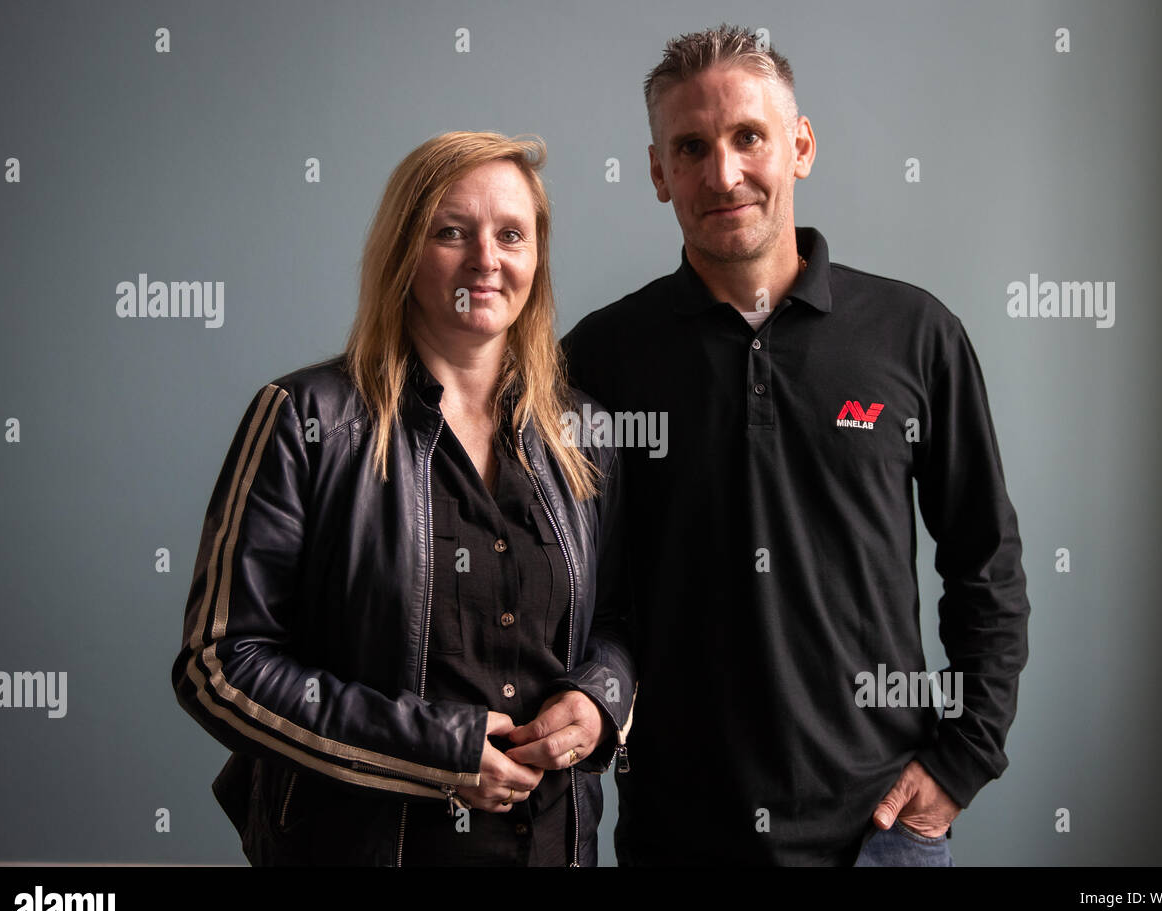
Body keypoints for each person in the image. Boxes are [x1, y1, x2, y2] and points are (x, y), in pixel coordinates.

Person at [561, 25, 1030, 866]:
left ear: (800, 146)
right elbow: (583, 595)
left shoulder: (913, 334)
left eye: (750, 138)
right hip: (679, 835)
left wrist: (964, 761)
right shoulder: (602, 357)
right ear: (659, 172)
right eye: (692, 148)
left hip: (880, 836)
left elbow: (985, 563)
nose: (724, 173)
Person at [172, 131, 634, 867]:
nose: (486, 259)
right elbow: (221, 666)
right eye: (452, 232)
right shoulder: (304, 418)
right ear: (404, 251)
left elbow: (616, 620)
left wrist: (600, 702)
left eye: (511, 234)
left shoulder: (585, 433)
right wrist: (433, 752)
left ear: (536, 259)